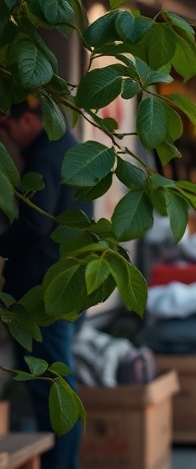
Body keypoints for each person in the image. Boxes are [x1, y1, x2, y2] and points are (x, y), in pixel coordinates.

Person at [0, 98, 91, 469]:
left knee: (53, 390)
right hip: (65, 284)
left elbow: (37, 225)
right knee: (57, 387)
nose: (7, 137)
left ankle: (60, 466)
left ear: (27, 120)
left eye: (7, 128)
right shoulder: (71, 151)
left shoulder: (46, 156)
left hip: (44, 294)